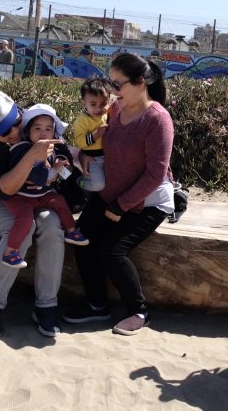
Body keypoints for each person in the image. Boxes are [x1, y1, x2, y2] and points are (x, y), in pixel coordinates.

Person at [63, 52, 175, 336]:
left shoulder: (158, 120)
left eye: (117, 84)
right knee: (82, 239)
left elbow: (155, 173)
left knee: (112, 251)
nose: (112, 91)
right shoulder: (113, 110)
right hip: (110, 195)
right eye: (110, 83)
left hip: (146, 202)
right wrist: (84, 157)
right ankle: (97, 305)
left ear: (140, 83)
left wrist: (122, 205)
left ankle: (139, 311)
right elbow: (96, 145)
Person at [0, 90, 66, 338]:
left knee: (52, 224)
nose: (13, 134)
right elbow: (4, 189)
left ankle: (46, 305)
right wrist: (30, 158)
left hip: (34, 197)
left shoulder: (34, 122)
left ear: (19, 112)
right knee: (20, 228)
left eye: (15, 124)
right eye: (3, 133)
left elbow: (59, 153)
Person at [2, 104, 88, 269]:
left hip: (40, 195)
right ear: (28, 131)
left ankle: (71, 230)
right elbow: (40, 178)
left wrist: (61, 164)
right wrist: (56, 169)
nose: (43, 133)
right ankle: (10, 252)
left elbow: (64, 172)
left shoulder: (51, 147)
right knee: (25, 219)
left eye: (48, 129)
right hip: (21, 197)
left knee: (59, 201)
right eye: (38, 128)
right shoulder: (23, 149)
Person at [73, 77, 112, 192]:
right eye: (93, 104)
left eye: (103, 103)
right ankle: (80, 181)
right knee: (98, 186)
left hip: (108, 156)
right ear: (83, 103)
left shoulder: (107, 113)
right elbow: (80, 142)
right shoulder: (82, 121)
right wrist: (96, 134)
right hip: (93, 158)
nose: (99, 108)